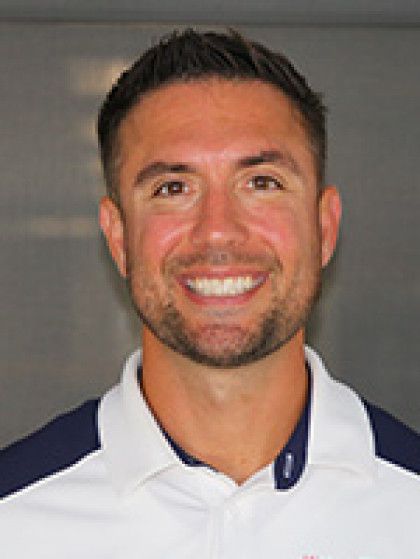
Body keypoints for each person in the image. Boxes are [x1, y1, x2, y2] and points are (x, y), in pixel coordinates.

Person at [0, 28, 419, 558]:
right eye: (173, 188)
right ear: (118, 237)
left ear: (324, 227)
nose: (218, 231)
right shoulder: (13, 520)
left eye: (261, 182)